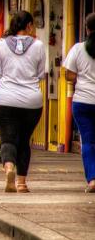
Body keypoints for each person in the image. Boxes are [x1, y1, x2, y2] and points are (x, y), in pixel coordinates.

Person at [0, 10, 46, 193]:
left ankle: (9, 168)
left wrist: (6, 89)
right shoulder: (38, 46)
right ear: (29, 26)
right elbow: (40, 74)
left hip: (6, 99)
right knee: (24, 140)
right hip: (32, 102)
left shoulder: (0, 44)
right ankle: (22, 183)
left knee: (8, 138)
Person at [64, 12, 95, 193]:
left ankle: (92, 179)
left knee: (88, 141)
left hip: (83, 101)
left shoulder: (78, 49)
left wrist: (80, 78)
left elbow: (69, 75)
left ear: (86, 29)